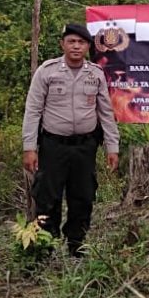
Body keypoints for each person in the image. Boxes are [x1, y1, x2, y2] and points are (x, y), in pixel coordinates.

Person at [23, 24, 120, 255]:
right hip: (53, 146)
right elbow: (33, 110)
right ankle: (46, 246)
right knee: (48, 197)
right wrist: (29, 147)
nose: (76, 46)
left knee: (83, 196)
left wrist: (112, 146)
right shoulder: (47, 71)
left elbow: (106, 113)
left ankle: (77, 245)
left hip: (84, 147)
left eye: (81, 42)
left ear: (88, 47)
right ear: (62, 44)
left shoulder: (95, 74)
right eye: (71, 41)